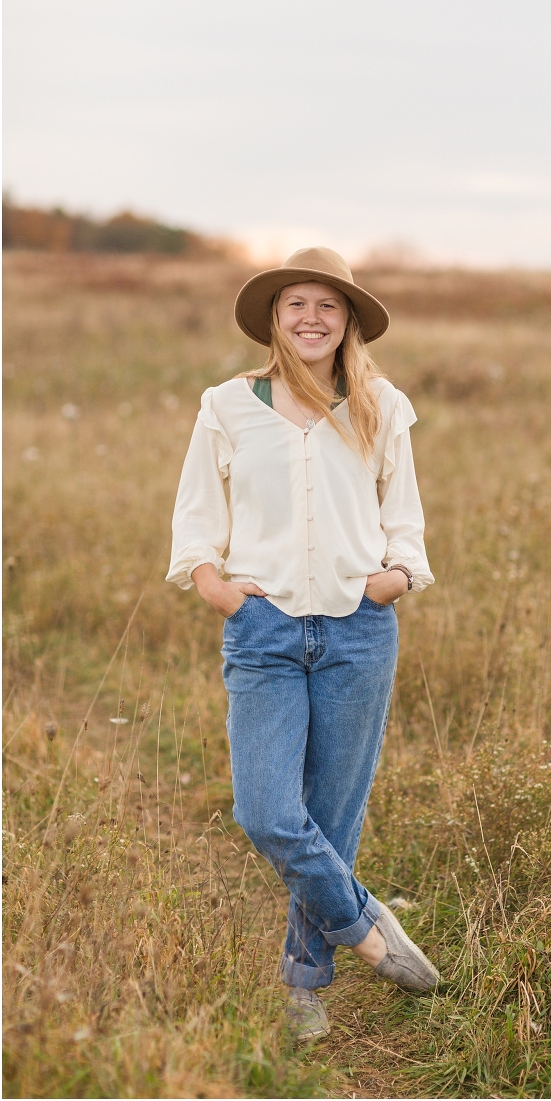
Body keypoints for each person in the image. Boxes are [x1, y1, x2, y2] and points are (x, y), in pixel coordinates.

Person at [167, 247, 439, 1040]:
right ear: (276, 317)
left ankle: (304, 984)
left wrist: (392, 579)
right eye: (297, 304)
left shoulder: (381, 405)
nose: (312, 318)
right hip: (265, 630)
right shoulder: (228, 405)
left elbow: (407, 517)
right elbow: (194, 515)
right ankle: (366, 928)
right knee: (266, 810)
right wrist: (215, 587)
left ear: (348, 318)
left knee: (332, 813)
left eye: (328, 305)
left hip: (359, 631)